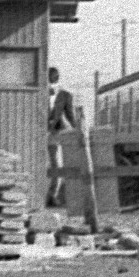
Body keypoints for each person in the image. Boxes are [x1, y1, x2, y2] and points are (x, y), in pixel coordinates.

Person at [45, 70, 83, 209]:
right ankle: (47, 195)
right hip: (40, 132)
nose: (52, 80)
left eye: (54, 77)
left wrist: (77, 130)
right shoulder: (41, 92)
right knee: (50, 164)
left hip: (55, 133)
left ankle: (52, 196)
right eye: (50, 77)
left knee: (57, 165)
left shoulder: (66, 95)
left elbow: (70, 115)